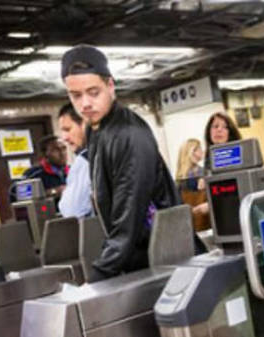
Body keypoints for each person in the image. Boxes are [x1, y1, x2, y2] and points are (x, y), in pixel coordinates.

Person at [61, 44, 179, 282]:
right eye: (76, 95)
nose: (85, 104)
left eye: (93, 92)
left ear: (110, 86)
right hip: (138, 261)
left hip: (165, 263)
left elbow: (128, 217)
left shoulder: (129, 135)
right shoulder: (96, 130)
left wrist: (97, 277)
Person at [57, 103, 93, 218]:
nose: (65, 138)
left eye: (68, 129)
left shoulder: (85, 160)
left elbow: (72, 210)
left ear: (85, 124)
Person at [175, 138, 209, 231]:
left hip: (204, 223)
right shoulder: (203, 174)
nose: (202, 151)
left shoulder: (179, 178)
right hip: (191, 224)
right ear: (192, 152)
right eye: (199, 148)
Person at [22, 135, 68, 202]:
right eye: (56, 150)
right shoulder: (33, 174)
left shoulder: (73, 171)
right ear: (44, 154)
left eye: (64, 148)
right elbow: (22, 197)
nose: (62, 153)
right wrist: (54, 191)